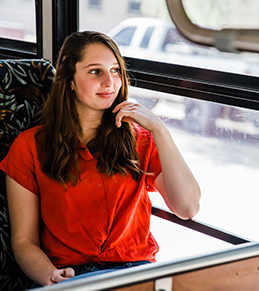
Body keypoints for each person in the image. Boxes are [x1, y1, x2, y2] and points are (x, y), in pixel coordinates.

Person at [0, 30, 201, 287]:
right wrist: (49, 276)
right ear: (69, 80)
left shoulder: (140, 139)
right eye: (95, 71)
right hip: (69, 277)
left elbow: (188, 208)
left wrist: (159, 130)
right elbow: (23, 241)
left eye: (116, 70)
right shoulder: (29, 146)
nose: (110, 82)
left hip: (135, 274)